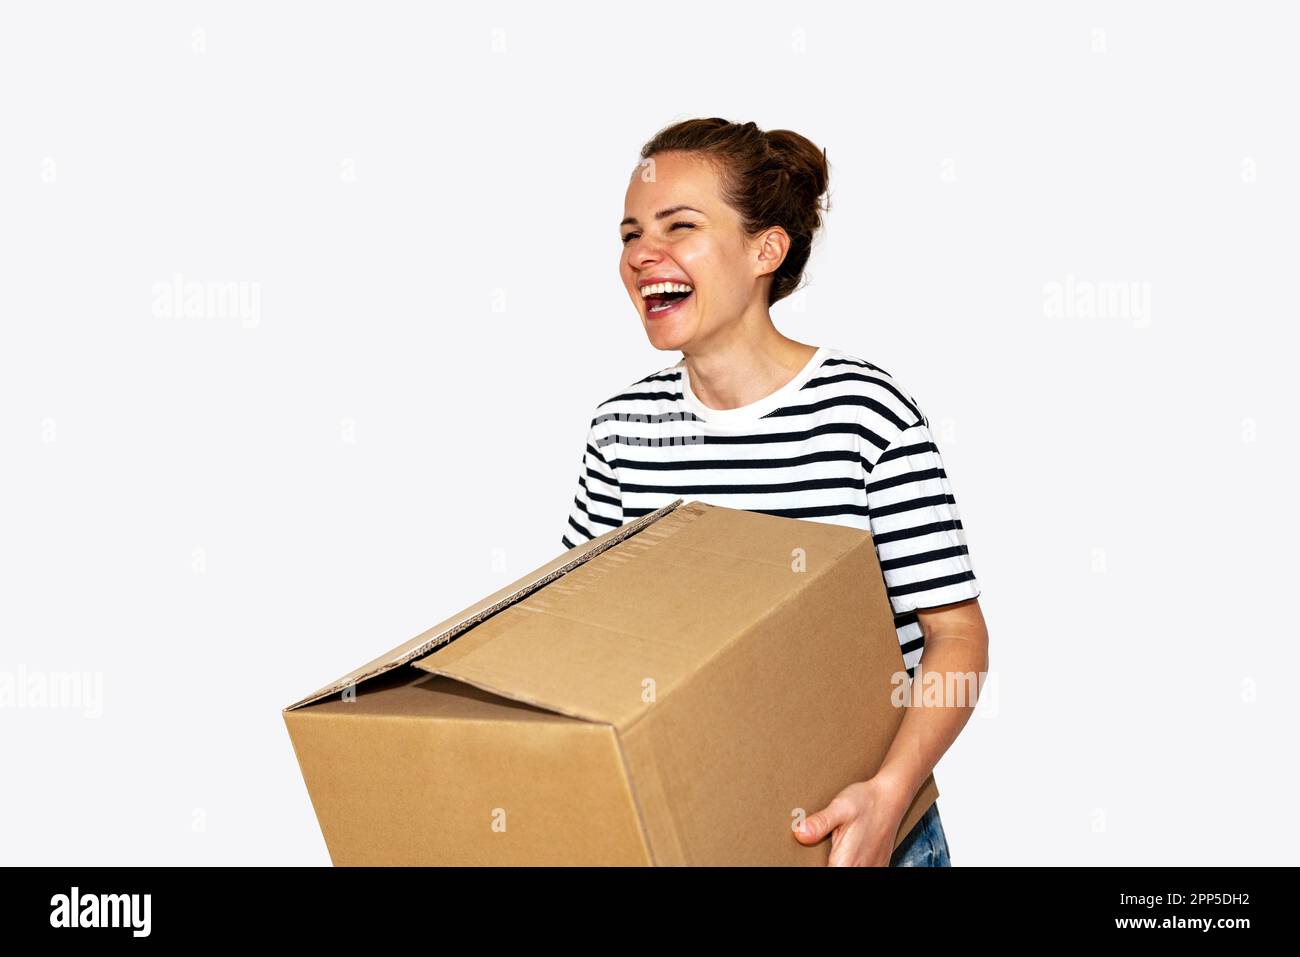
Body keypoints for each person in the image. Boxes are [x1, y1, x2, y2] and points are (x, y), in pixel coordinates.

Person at [561, 118, 989, 867]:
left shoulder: (863, 414)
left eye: (678, 226)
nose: (641, 255)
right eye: (630, 234)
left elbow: (957, 637)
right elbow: (573, 641)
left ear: (767, 249)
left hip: (864, 840)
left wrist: (889, 795)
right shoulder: (620, 430)